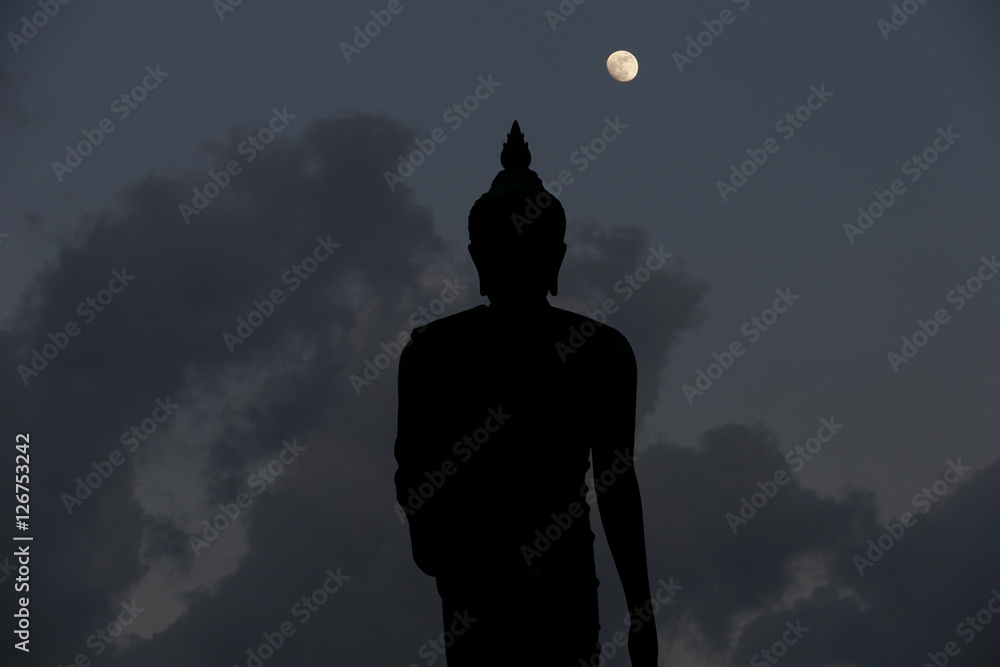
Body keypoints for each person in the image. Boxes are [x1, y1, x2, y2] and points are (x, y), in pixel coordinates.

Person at [394, 121, 658, 666]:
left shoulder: (439, 351)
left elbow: (616, 483)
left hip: (524, 584)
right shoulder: (598, 351)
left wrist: (641, 608)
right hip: (502, 582)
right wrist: (640, 609)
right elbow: (416, 476)